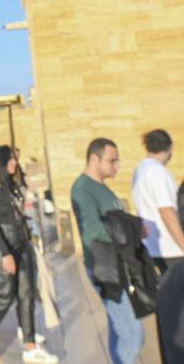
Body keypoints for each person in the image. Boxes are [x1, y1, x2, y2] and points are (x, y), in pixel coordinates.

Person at [0, 146, 58, 364]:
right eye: (10, 159)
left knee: (26, 294)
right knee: (5, 294)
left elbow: (22, 215)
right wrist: (4, 254)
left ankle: (30, 346)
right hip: (2, 246)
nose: (14, 162)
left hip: (22, 244)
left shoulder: (10, 186)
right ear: (1, 161)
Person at [71, 138, 144, 364]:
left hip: (117, 267)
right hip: (105, 270)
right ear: (95, 158)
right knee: (133, 335)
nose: (116, 167)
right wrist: (134, 229)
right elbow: (92, 230)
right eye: (112, 161)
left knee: (120, 328)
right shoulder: (83, 188)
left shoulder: (102, 187)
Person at [132, 129, 184, 274]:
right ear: (170, 148)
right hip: (171, 249)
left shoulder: (140, 170)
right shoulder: (159, 172)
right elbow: (167, 211)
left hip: (152, 247)